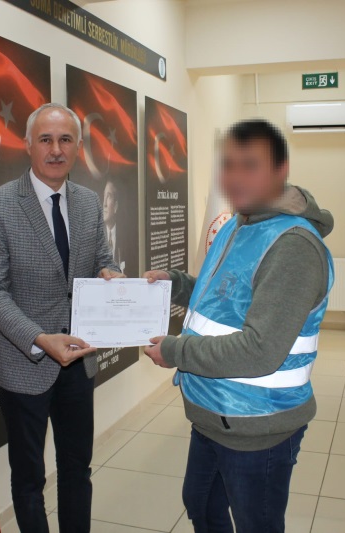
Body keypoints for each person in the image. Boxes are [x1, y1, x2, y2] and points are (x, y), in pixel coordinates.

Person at [143, 119, 334, 533]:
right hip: (213, 412)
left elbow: (259, 350)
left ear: (280, 170)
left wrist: (175, 351)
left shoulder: (293, 246)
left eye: (250, 165)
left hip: (257, 426)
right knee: (201, 506)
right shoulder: (239, 223)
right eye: (228, 165)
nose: (235, 177)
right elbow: (226, 298)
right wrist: (176, 284)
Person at [0, 103, 124, 533]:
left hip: (79, 361)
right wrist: (40, 339)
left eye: (65, 140)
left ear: (78, 146)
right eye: (46, 139)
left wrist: (109, 273)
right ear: (28, 144)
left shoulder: (89, 202)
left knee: (77, 469)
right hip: (25, 363)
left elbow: (100, 258)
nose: (55, 150)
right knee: (28, 479)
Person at [102, 179, 124, 272]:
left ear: (115, 206)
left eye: (109, 196)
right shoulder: (96, 237)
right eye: (104, 196)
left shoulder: (126, 239)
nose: (104, 204)